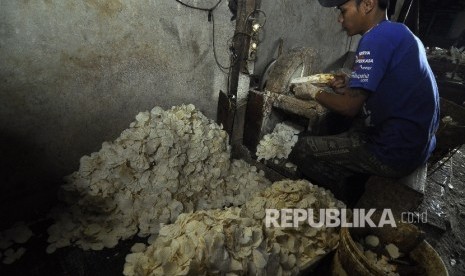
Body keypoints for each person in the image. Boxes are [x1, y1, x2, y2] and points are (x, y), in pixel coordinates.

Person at [288, 0, 440, 197]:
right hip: (418, 143)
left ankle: (347, 198)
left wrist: (312, 92)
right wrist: (352, 85)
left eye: (343, 10)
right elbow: (389, 86)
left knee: (302, 148)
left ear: (368, 4)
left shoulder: (374, 40)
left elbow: (349, 108)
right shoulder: (398, 32)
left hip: (396, 153)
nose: (340, 19)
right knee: (348, 127)